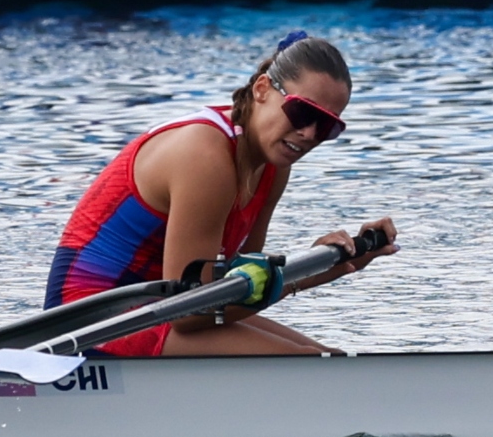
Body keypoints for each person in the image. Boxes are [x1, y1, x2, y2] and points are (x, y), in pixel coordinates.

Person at [44, 30, 398, 356]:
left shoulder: (274, 166)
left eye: (327, 126)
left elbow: (240, 284)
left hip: (155, 308)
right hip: (88, 321)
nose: (308, 133)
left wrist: (332, 264)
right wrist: (294, 278)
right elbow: (190, 311)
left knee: (328, 360)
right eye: (302, 112)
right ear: (262, 89)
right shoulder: (205, 155)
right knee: (307, 364)